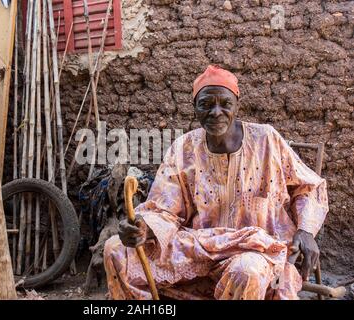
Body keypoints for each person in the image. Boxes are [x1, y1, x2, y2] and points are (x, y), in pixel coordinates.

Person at [103, 65, 328, 300]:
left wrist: (305, 231)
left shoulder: (266, 139)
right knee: (115, 250)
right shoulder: (183, 149)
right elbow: (163, 208)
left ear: (237, 104)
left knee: (246, 271)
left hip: (259, 251)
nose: (216, 112)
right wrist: (146, 227)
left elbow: (309, 187)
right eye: (206, 104)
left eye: (225, 104)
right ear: (195, 108)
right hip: (198, 249)